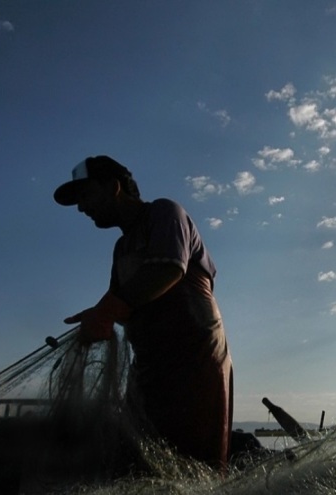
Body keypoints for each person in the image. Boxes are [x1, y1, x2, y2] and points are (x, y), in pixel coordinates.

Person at [54, 155, 233, 473]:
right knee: (142, 461)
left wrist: (107, 311)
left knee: (196, 466)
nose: (82, 208)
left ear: (113, 187)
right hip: (149, 368)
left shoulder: (165, 212)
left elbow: (168, 269)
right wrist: (95, 319)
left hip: (196, 363)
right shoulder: (122, 248)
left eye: (86, 196)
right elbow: (121, 306)